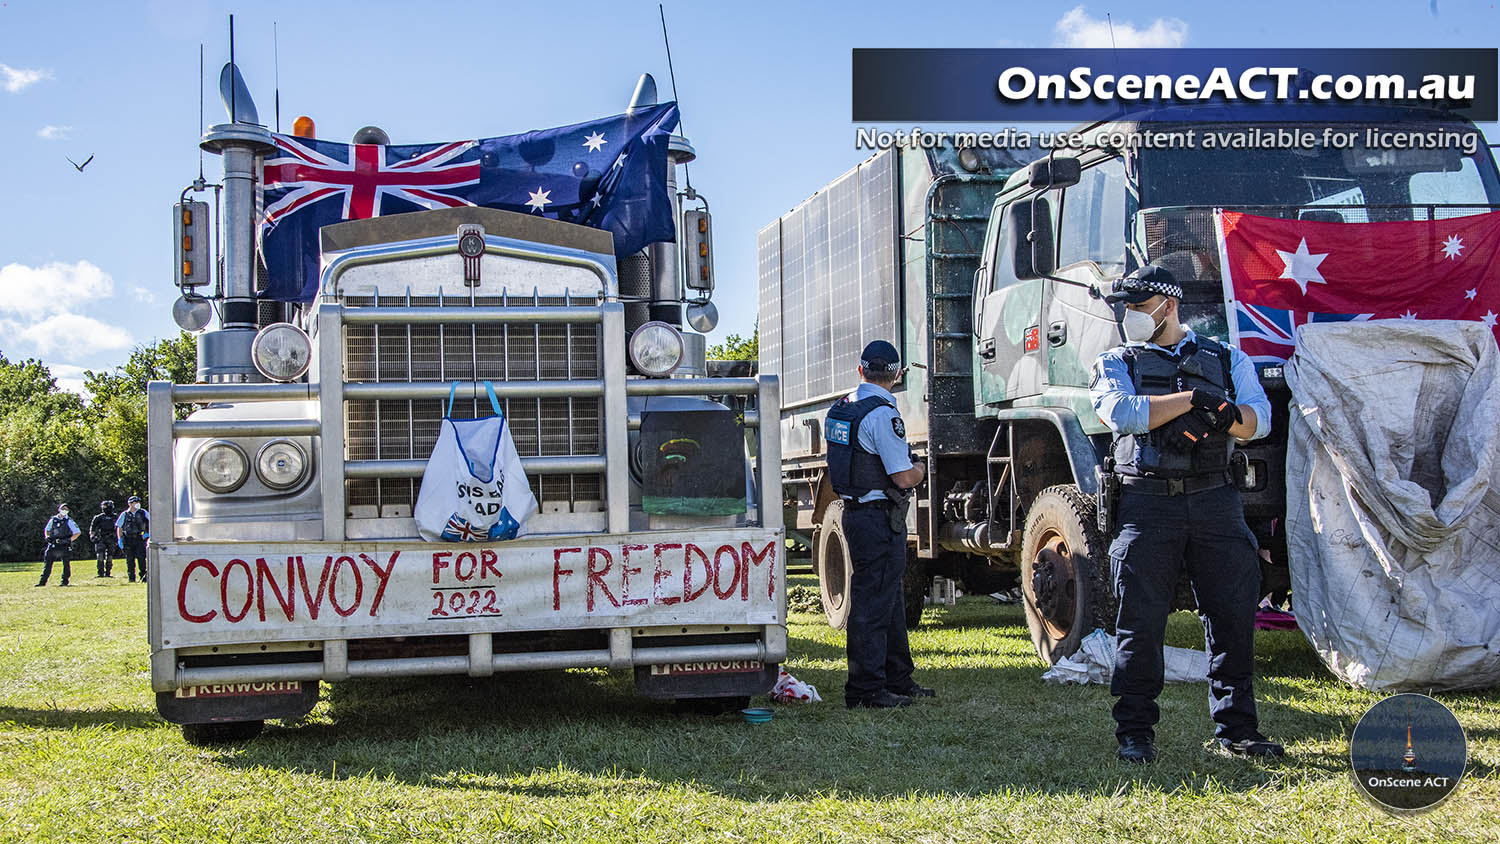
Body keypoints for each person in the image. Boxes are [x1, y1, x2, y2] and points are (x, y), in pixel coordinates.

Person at [1089, 264, 1284, 763]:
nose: (1126, 316)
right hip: (1147, 503)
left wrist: (1223, 415)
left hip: (1216, 499)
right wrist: (1195, 400)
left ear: (1166, 305)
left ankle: (1238, 731)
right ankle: (1135, 733)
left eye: (1134, 307)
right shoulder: (1116, 360)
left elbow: (1256, 423)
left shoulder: (1226, 357)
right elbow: (1123, 413)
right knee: (1140, 623)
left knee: (1233, 619)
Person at [824, 340, 933, 709]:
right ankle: (866, 690)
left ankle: (898, 679)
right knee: (873, 603)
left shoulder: (842, 408)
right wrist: (920, 468)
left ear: (861, 371)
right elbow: (902, 477)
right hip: (878, 516)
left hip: (855, 512)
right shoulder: (883, 415)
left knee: (889, 599)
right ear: (897, 375)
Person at [38, 503, 81, 587]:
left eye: (66, 509)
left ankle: (64, 582)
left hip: (64, 545)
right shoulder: (53, 520)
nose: (64, 510)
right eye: (63, 508)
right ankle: (42, 582)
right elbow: (47, 529)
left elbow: (77, 532)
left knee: (66, 564)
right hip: (53, 544)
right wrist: (47, 536)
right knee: (47, 564)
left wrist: (68, 540)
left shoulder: (69, 521)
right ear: (59, 509)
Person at [116, 495, 150, 583]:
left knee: (141, 558)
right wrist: (120, 539)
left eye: (138, 502)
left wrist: (148, 534)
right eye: (135, 502)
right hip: (128, 539)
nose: (137, 504)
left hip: (140, 538)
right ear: (130, 504)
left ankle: (143, 577)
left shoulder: (143, 512)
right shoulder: (124, 514)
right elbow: (119, 527)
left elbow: (151, 522)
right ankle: (131, 578)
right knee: (129, 560)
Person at [90, 500, 116, 578]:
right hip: (100, 538)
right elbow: (93, 528)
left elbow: (119, 528)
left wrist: (117, 537)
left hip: (111, 538)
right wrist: (93, 536)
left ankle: (108, 572)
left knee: (110, 556)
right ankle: (100, 573)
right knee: (100, 555)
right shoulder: (98, 517)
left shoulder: (115, 517)